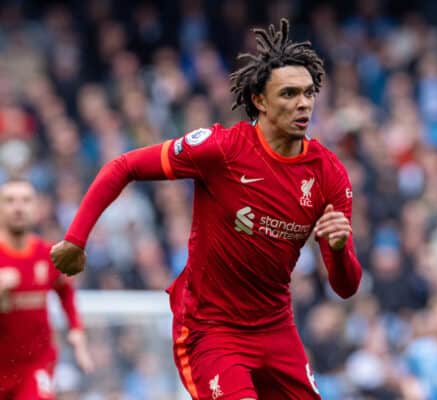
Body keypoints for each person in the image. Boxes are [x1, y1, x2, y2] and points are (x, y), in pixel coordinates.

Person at [51, 18, 362, 399]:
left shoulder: (329, 175)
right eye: (289, 93)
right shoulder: (221, 150)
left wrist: (337, 249)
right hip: (210, 331)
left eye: (309, 92)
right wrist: (75, 239)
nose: (303, 103)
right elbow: (124, 166)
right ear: (259, 101)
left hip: (276, 329)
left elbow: (346, 288)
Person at [0, 179, 93, 400]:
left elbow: (65, 291)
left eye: (25, 200)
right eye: (10, 201)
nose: (18, 207)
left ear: (36, 207)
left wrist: (76, 331)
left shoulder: (49, 255)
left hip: (35, 365)